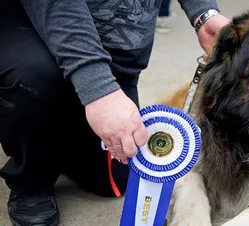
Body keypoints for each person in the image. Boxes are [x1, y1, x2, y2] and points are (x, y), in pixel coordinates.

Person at [0, 0, 230, 225]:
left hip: (118, 58)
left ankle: (57, 134)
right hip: (35, 33)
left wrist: (203, 12)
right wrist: (97, 89)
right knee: (33, 77)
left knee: (118, 179)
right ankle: (31, 181)